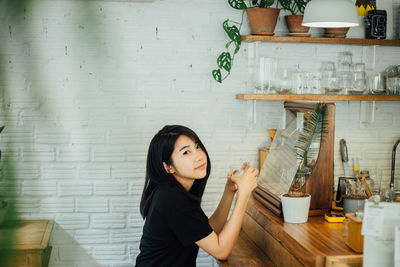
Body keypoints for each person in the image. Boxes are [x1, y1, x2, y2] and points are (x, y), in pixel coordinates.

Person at [135, 125, 259, 267]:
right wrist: (244, 194)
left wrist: (229, 191)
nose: (199, 156)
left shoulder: (173, 192)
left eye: (197, 146)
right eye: (186, 152)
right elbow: (221, 251)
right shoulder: (171, 199)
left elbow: (207, 231)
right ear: (168, 167)